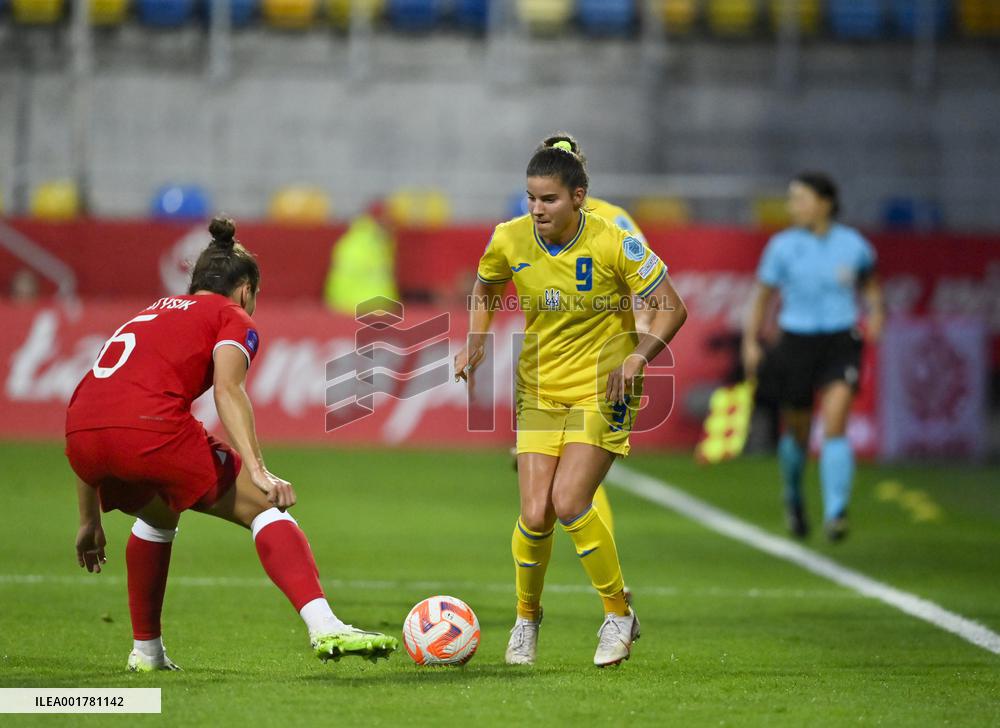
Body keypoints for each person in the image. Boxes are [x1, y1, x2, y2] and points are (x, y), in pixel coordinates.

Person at [66, 217, 398, 672]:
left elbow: (96, 406)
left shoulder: (149, 312)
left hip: (81, 435)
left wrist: (88, 519)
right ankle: (326, 625)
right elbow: (228, 390)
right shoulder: (230, 316)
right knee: (264, 505)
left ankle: (147, 653)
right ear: (245, 290)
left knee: (158, 513)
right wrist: (258, 470)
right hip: (149, 430)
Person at [454, 136, 687, 667]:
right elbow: (488, 283)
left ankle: (617, 614)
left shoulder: (613, 241)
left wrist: (639, 358)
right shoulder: (509, 238)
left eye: (548, 199)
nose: (536, 209)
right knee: (534, 514)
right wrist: (477, 337)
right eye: (531, 198)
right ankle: (526, 620)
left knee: (570, 502)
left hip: (605, 384)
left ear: (578, 197)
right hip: (539, 386)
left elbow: (672, 306)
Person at [513, 133, 654, 541]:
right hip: (548, 368)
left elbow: (649, 289)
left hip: (600, 367)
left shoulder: (613, 224)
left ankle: (611, 595)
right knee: (553, 499)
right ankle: (604, 593)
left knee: (574, 493)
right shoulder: (528, 223)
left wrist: (637, 347)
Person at [742, 173, 884, 542]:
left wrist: (877, 314)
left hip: (840, 341)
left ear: (825, 203)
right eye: (792, 200)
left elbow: (870, 287)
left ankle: (836, 513)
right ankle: (793, 495)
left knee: (835, 425)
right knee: (799, 432)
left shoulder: (854, 246)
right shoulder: (782, 246)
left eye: (800, 199)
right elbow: (762, 297)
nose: (794, 207)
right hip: (795, 342)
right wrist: (751, 343)